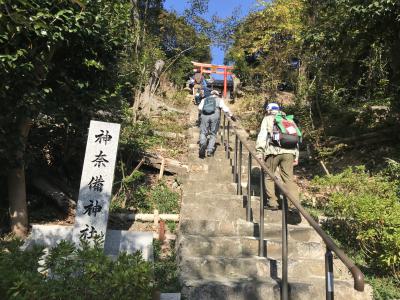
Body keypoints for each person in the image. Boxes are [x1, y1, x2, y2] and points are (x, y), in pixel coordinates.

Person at [256, 102, 299, 209]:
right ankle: (294, 204)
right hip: (290, 152)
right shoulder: (289, 119)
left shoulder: (268, 118)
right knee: (288, 179)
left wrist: (260, 151)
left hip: (273, 151)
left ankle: (273, 202)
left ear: (268, 110)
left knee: (269, 176)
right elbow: (296, 138)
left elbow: (262, 135)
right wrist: (296, 156)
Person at [198, 90, 235, 158]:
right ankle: (209, 150)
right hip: (215, 116)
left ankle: (203, 144)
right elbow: (225, 109)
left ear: (211, 94)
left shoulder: (205, 99)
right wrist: (231, 115)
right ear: (217, 94)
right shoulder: (219, 100)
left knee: (203, 132)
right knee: (213, 133)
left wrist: (201, 115)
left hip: (204, 115)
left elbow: (199, 108)